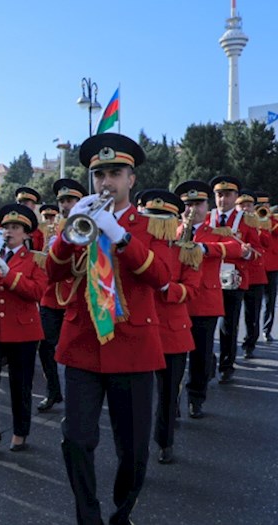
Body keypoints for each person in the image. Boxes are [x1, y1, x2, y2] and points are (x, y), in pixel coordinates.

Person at [46, 133, 170, 525]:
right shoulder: (79, 219)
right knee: (77, 440)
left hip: (133, 345)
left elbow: (161, 277)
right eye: (99, 174)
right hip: (83, 343)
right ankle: (89, 517)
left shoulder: (153, 224)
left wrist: (119, 235)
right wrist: (68, 232)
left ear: (131, 179)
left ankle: (121, 511)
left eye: (115, 173)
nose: (105, 182)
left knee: (133, 451)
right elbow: (52, 272)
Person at [0, 203, 46, 456]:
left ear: (26, 234)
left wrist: (9, 276)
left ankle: (20, 430)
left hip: (22, 330)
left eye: (15, 228)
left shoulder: (36, 260)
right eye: (6, 227)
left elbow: (38, 292)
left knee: (20, 383)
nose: (9, 231)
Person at [139, 190, 201, 465]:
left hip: (173, 330)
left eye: (161, 219)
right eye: (151, 218)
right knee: (136, 395)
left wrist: (167, 287)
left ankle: (164, 441)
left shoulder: (185, 251)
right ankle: (135, 445)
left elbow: (193, 290)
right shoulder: (136, 249)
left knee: (167, 393)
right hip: (139, 327)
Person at [176, 180, 245, 419]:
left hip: (204, 301)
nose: (192, 209)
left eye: (197, 203)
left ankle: (196, 397)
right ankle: (172, 401)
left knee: (201, 355)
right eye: (187, 204)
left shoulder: (216, 231)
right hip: (177, 301)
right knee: (174, 356)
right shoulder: (171, 230)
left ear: (207, 207)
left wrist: (204, 249)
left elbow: (238, 249)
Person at [36, 179, 87, 412]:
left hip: (76, 294)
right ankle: (53, 391)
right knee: (45, 347)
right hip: (50, 295)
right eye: (62, 201)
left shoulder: (87, 223)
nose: (65, 205)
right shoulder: (50, 227)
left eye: (70, 200)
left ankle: (79, 396)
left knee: (75, 349)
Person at [206, 175, 259, 383]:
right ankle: (207, 361)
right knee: (205, 324)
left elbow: (258, 252)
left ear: (235, 196)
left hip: (234, 280)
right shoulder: (207, 218)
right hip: (208, 280)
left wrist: (246, 253)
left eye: (228, 195)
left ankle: (227, 365)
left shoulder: (246, 220)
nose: (223, 199)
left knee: (229, 324)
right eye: (219, 195)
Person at [237, 190, 270, 359]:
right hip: (237, 274)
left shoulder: (259, 222)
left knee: (253, 314)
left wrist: (261, 228)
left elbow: (267, 243)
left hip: (255, 276)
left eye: (249, 205)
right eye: (242, 205)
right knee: (230, 315)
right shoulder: (232, 223)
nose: (245, 208)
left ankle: (249, 343)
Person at [257, 191, 278, 342]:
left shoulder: (274, 221)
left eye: (266, 205)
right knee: (254, 303)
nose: (264, 208)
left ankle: (266, 330)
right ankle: (252, 332)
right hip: (256, 266)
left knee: (270, 301)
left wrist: (269, 217)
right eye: (261, 205)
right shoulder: (252, 221)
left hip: (272, 267)